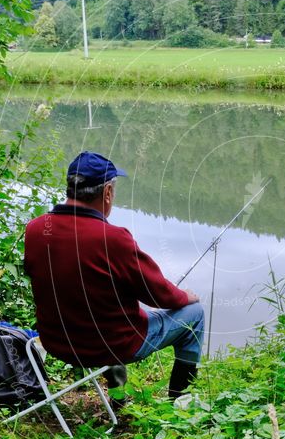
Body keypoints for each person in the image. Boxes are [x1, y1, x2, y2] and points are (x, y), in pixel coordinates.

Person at [23, 151, 204, 401]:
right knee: (195, 315)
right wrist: (185, 296)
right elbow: (159, 295)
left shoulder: (35, 229)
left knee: (103, 308)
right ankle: (181, 403)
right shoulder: (114, 239)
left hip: (57, 343)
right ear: (107, 192)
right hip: (110, 346)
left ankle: (119, 395)